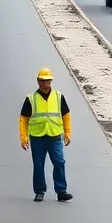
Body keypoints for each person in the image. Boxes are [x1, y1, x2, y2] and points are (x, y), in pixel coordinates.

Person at [19, 68, 73, 202]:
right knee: (38, 165)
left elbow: (66, 115)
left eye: (48, 81)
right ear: (38, 81)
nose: (46, 84)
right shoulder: (31, 99)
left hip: (55, 135)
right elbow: (23, 119)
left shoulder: (59, 96)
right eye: (43, 81)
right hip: (37, 137)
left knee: (59, 162)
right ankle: (39, 191)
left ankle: (61, 191)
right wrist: (24, 138)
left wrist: (67, 132)